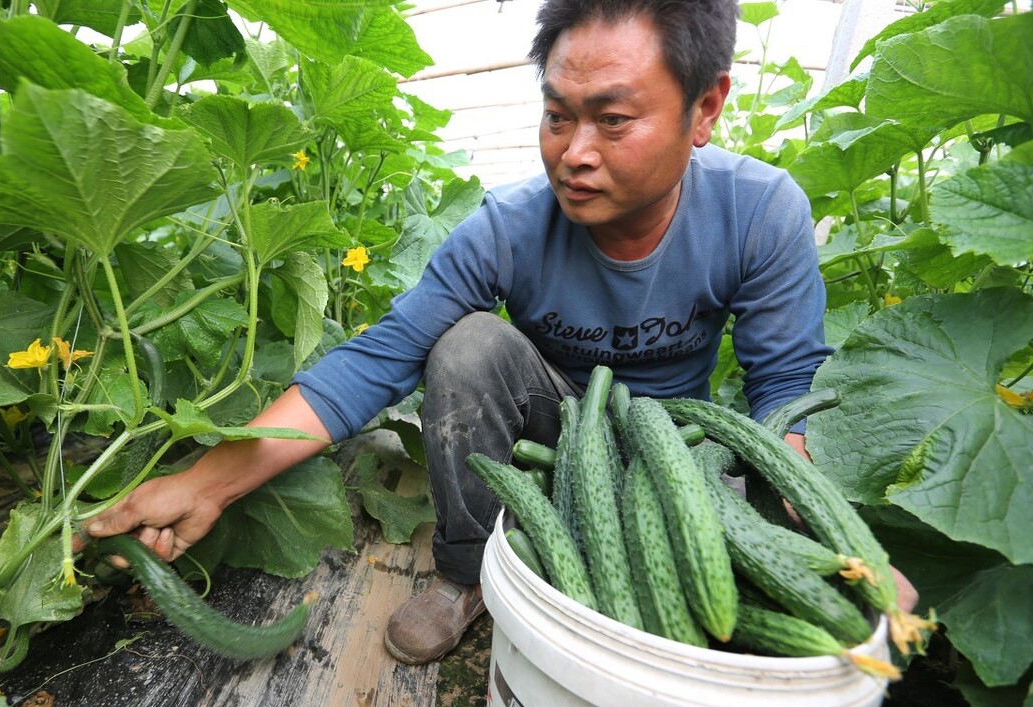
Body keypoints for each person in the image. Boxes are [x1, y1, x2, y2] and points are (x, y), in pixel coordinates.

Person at [84, 0, 861, 665]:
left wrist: (831, 540)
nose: (575, 153)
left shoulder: (759, 211)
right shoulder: (509, 227)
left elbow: (784, 390)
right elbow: (377, 361)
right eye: (557, 116)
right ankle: (467, 572)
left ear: (705, 109)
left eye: (613, 120)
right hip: (551, 425)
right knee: (467, 343)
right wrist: (204, 483)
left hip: (673, 444)